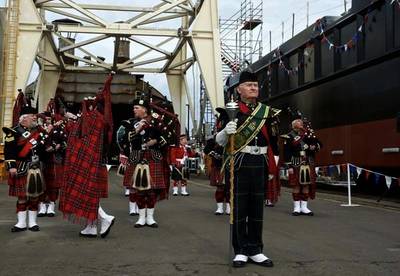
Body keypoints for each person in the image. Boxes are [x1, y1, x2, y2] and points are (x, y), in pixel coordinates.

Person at [215, 70, 279, 268]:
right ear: (239, 89)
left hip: (260, 163)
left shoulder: (267, 113)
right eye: (249, 85)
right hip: (240, 162)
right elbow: (219, 141)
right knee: (239, 208)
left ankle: (256, 249)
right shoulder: (230, 111)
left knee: (256, 208)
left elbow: (274, 143)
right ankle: (241, 250)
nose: (254, 88)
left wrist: (272, 168)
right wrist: (226, 131)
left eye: (256, 85)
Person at [59, 74, 115, 238]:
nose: (86, 105)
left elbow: (82, 138)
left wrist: (75, 119)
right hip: (89, 161)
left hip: (85, 161)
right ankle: (90, 227)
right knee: (88, 194)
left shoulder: (93, 119)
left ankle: (104, 218)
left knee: (84, 193)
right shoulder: (95, 119)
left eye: (89, 103)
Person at [120, 98, 169, 228]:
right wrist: (137, 129)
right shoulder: (132, 123)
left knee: (152, 191)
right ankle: (141, 218)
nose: (134, 110)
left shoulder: (156, 122)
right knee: (140, 191)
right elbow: (126, 139)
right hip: (137, 157)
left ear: (144, 109)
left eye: (136, 108)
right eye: (134, 107)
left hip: (153, 157)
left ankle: (150, 218)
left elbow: (166, 138)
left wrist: (155, 141)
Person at [3, 93, 46, 232]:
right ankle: (21, 223)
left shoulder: (39, 132)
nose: (35, 118)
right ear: (24, 119)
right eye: (32, 116)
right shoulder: (13, 132)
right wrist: (11, 167)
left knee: (34, 196)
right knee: (22, 197)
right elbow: (9, 152)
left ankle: (33, 222)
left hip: (35, 167)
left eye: (35, 116)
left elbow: (43, 150)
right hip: (21, 167)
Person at [282, 117, 321, 216]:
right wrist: (289, 166)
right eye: (298, 124)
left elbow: (319, 144)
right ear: (294, 126)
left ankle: (304, 207)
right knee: (296, 185)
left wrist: (314, 146)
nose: (301, 126)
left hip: (307, 162)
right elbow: (286, 153)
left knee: (306, 184)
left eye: (301, 124)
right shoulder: (289, 136)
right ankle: (296, 207)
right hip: (295, 163)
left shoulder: (308, 135)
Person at [203, 137, 230, 215]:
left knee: (229, 188)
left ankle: (229, 208)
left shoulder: (234, 137)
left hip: (230, 167)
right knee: (220, 188)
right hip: (218, 167)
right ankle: (220, 208)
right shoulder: (215, 139)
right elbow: (206, 149)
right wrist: (214, 154)